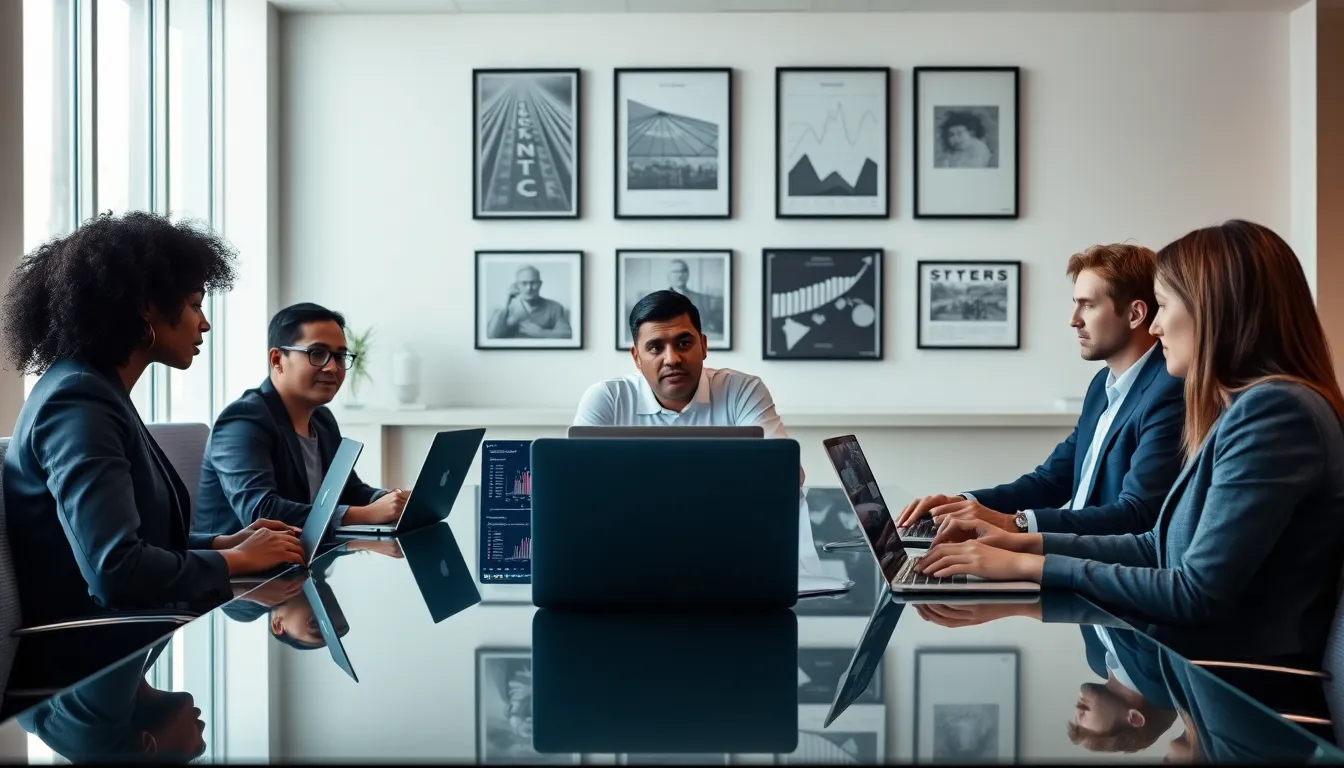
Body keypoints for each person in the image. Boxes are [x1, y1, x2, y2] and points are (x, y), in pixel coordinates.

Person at [919, 220, 1344, 671]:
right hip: (1209, 669)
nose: (1157, 325)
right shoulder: (1253, 407)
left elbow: (1194, 593)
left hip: (1247, 688)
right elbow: (1154, 547)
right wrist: (1015, 544)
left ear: (1216, 309)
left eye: (1163, 305)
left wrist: (1025, 567)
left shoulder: (1275, 412)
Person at [1, 212, 305, 634]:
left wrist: (226, 544)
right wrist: (237, 560)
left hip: (125, 634)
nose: (204, 322)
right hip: (92, 658)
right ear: (147, 307)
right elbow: (116, 571)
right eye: (195, 304)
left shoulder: (97, 390)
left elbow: (137, 545)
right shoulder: (78, 402)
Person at [898, 244, 1184, 537]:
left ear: (1135, 314)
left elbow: (1136, 515)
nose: (1074, 319)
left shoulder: (1169, 391)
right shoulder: (1102, 385)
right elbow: (1050, 481)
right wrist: (962, 503)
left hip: (1099, 572)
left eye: (1088, 305)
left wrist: (1015, 524)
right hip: (1068, 558)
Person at [195, 303, 406, 535]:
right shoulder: (243, 421)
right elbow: (262, 511)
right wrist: (367, 514)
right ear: (277, 360)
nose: (333, 367)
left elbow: (348, 490)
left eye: (340, 356)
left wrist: (390, 500)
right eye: (318, 353)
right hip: (243, 566)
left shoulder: (322, 419)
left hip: (305, 556)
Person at [573, 290, 794, 464]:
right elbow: (574, 477)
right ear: (637, 357)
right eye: (655, 348)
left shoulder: (742, 391)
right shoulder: (608, 399)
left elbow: (786, 473)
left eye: (683, 343)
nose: (672, 359)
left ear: (704, 345)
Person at [487, 265, 571, 340]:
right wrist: (506, 301)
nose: (529, 288)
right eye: (524, 283)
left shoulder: (554, 307)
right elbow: (492, 335)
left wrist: (542, 333)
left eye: (533, 283)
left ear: (540, 284)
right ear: (516, 285)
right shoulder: (506, 309)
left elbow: (567, 334)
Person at [666, 258, 723, 337]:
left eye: (683, 271)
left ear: (688, 274)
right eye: (675, 272)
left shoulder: (701, 298)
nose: (680, 275)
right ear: (668, 276)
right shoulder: (664, 299)